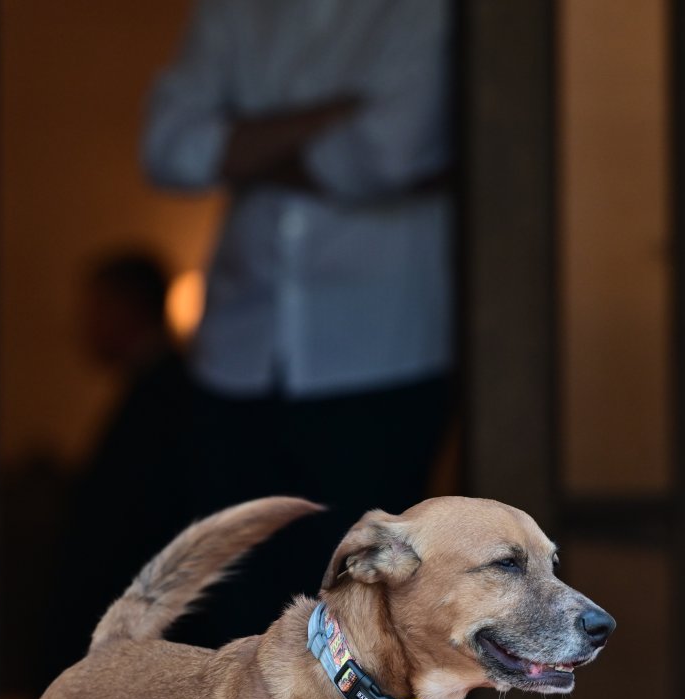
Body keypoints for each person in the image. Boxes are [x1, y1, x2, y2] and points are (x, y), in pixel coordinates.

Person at [142, 0, 454, 651]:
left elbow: (385, 154)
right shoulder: (235, 13)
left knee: (366, 629)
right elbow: (169, 147)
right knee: (232, 622)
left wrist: (243, 142)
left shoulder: (419, 11)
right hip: (236, 349)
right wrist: (330, 113)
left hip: (380, 350)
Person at [35, 251, 199, 691]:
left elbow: (123, 524)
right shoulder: (154, 391)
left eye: (93, 310)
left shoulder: (163, 398)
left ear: (126, 308)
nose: (81, 328)